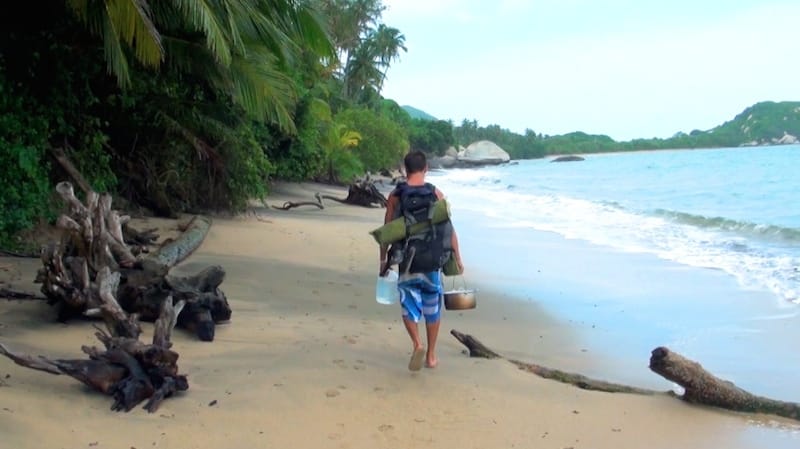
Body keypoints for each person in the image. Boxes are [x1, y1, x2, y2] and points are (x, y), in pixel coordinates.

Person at [379, 150, 464, 371]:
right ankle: (432, 356)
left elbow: (387, 232)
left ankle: (417, 344)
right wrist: (458, 257)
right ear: (426, 168)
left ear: (405, 169)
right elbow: (449, 229)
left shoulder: (396, 196)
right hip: (432, 262)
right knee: (432, 308)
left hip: (407, 262)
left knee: (409, 306)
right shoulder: (436, 194)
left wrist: (383, 261)